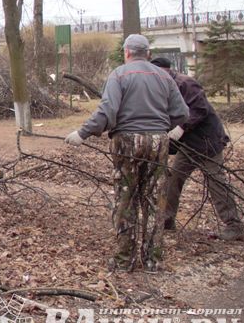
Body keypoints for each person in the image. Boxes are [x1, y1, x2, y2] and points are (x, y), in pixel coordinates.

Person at [65, 35, 189, 272]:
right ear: (148, 54)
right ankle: (153, 259)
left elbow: (107, 110)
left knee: (126, 197)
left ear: (127, 52)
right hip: (158, 141)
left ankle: (124, 260)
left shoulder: (119, 75)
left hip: (127, 142)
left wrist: (83, 133)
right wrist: (161, 126)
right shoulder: (164, 76)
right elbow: (182, 113)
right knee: (154, 200)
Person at [150, 57, 243, 240]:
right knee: (173, 178)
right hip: (188, 144)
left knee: (216, 181)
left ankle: (234, 225)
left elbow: (200, 109)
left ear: (166, 71)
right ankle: (167, 220)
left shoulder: (186, 84)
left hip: (207, 142)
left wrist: (181, 127)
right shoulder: (160, 87)